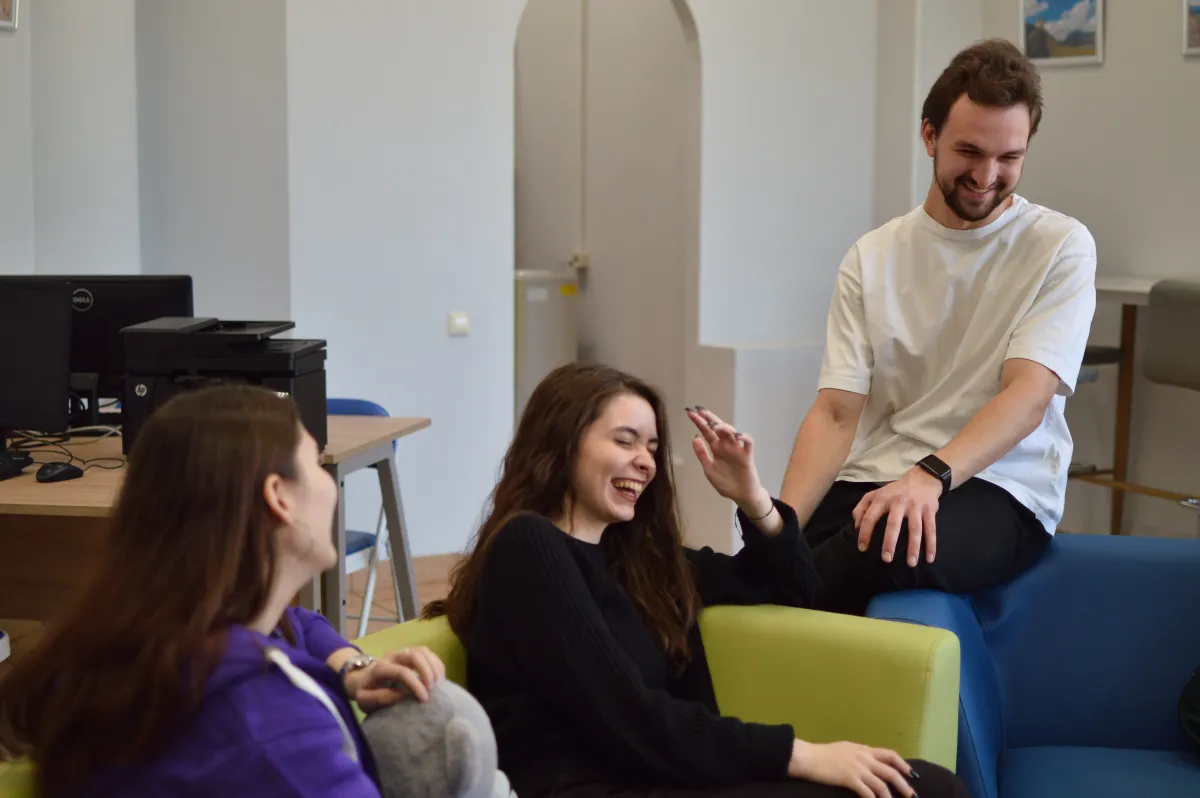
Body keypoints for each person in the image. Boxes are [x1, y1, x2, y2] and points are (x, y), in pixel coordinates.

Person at [424, 362, 971, 798]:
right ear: (563, 443)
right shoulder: (528, 547)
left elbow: (795, 590)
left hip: (671, 778)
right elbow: (628, 716)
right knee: (916, 789)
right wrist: (804, 754)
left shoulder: (639, 562)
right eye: (625, 441)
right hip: (589, 788)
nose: (645, 462)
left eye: (652, 448)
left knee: (921, 783)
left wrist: (751, 497)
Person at [0, 385, 450, 797]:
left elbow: (295, 622)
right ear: (279, 497)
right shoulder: (276, 730)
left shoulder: (131, 643)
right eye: (316, 463)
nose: (331, 484)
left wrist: (351, 666)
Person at [780, 38, 1097, 617]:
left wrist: (930, 475)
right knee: (781, 555)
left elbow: (1027, 397)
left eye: (1009, 157)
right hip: (881, 473)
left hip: (1001, 486)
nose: (987, 175)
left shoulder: (1060, 246)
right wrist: (778, 530)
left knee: (875, 550)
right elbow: (836, 413)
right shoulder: (872, 256)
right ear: (929, 135)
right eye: (969, 151)